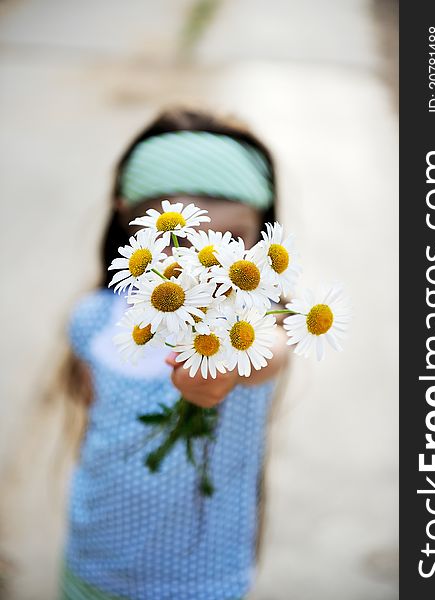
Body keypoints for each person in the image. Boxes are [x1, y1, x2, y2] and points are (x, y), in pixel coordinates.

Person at [61, 107, 288, 600]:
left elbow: (268, 352)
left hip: (200, 579)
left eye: (230, 241)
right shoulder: (95, 319)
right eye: (177, 239)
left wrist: (224, 367)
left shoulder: (253, 325)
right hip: (92, 555)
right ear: (127, 223)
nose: (203, 263)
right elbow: (95, 418)